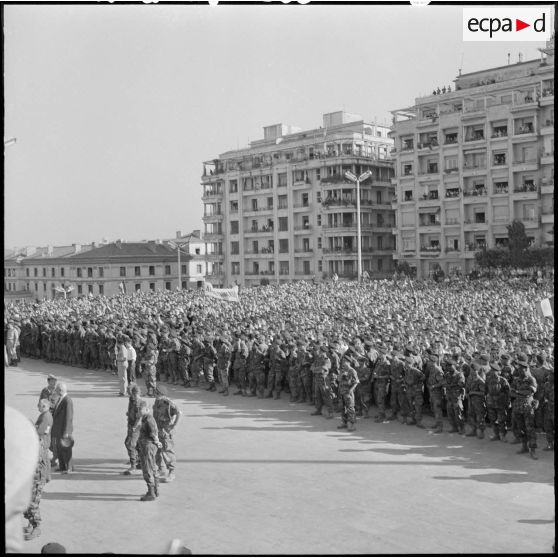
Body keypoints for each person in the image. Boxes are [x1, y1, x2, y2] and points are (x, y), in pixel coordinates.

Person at [5, 406, 40, 553]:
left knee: (33, 506)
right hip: (31, 482)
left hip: (36, 482)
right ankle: (33, 525)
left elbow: (41, 467)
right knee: (29, 507)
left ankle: (35, 527)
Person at [23, 399, 53, 541]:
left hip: (37, 478)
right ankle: (31, 523)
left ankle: (37, 527)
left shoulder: (37, 444)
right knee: (29, 502)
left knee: (32, 503)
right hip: (32, 478)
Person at [511, 353, 538, 460]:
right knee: (521, 428)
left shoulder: (531, 379)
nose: (518, 370)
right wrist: (520, 392)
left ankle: (533, 450)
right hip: (518, 406)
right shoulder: (516, 380)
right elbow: (511, 393)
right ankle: (524, 446)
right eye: (518, 368)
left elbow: (531, 392)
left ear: (525, 369)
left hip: (527, 407)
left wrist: (518, 392)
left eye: (521, 369)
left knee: (530, 429)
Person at [152, 386, 181, 483]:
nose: (154, 393)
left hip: (165, 431)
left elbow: (178, 412)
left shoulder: (168, 403)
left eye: (156, 392)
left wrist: (174, 425)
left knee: (167, 451)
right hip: (157, 429)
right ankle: (161, 469)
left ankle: (171, 472)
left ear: (161, 393)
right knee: (157, 450)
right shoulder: (157, 401)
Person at [137, 400, 162, 501]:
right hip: (146, 446)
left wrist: (157, 442)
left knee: (147, 468)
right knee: (153, 467)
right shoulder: (145, 418)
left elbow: (153, 434)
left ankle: (151, 492)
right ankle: (155, 490)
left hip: (148, 447)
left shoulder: (149, 420)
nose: (138, 411)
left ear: (147, 409)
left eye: (140, 409)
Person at [51, 382, 74, 474]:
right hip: (58, 429)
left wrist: (66, 432)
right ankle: (62, 466)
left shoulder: (67, 400)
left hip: (64, 430)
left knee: (66, 449)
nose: (55, 391)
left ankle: (69, 467)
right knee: (59, 449)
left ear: (60, 391)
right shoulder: (61, 398)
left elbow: (69, 416)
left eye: (56, 389)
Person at [123, 383, 143, 475]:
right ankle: (139, 460)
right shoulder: (131, 399)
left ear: (135, 393)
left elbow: (140, 417)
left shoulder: (140, 403)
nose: (128, 394)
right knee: (137, 443)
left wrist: (134, 426)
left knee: (129, 444)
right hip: (131, 424)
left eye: (129, 392)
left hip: (136, 426)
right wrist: (129, 413)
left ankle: (133, 465)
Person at [337, 359, 359, 431]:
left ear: (349, 362)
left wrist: (351, 390)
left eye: (345, 362)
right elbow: (338, 379)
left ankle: (352, 425)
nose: (343, 364)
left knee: (350, 409)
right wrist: (342, 374)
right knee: (342, 408)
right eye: (343, 362)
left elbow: (356, 382)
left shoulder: (352, 371)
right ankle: (344, 422)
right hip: (341, 392)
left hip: (348, 393)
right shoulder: (343, 370)